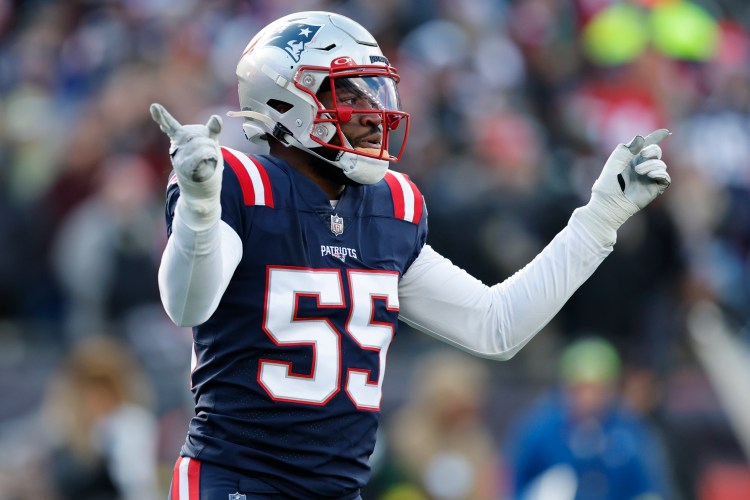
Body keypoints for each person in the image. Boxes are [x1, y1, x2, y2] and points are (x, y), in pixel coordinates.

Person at [150, 11, 671, 499]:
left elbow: (497, 325)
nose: (376, 115)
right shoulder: (241, 185)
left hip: (337, 489)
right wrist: (199, 210)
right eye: (352, 95)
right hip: (236, 482)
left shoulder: (390, 208)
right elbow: (188, 307)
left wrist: (601, 216)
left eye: (377, 93)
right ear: (288, 103)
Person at [505, 336, 672, 500]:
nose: (587, 398)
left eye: (596, 389)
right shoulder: (541, 430)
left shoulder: (630, 431)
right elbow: (514, 482)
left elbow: (649, 488)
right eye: (579, 389)